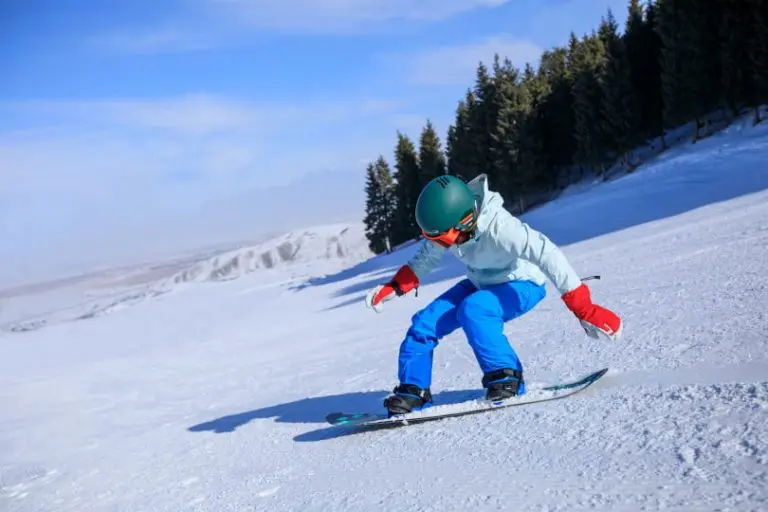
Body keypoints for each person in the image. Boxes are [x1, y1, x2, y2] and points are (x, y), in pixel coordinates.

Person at [365, 173, 623, 416]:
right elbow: (426, 257)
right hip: (482, 282)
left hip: (522, 283)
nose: (439, 243)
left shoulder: (501, 228)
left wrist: (584, 308)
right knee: (423, 323)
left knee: (474, 309)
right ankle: (414, 391)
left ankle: (506, 377)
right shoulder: (450, 226)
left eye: (441, 237)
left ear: (464, 220)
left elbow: (547, 253)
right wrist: (395, 286)